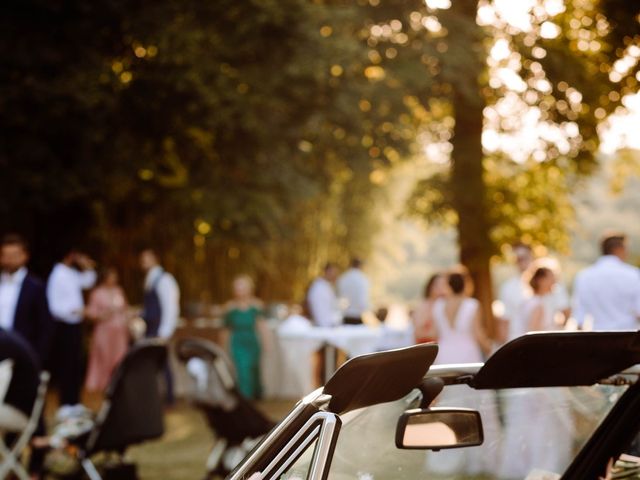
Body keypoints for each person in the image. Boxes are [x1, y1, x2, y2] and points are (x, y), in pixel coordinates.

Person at [499, 267, 574, 478]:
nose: (554, 283)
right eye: (552, 278)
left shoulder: (527, 303)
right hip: (542, 367)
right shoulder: (539, 305)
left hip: (531, 368)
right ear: (540, 280)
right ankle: (544, 465)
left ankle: (525, 463)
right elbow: (535, 339)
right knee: (546, 417)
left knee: (530, 418)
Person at [426, 272, 499, 476]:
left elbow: (435, 335)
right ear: (466, 285)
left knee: (448, 403)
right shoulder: (472, 305)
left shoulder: (439, 306)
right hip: (467, 354)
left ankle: (447, 452)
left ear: (449, 286)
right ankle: (474, 455)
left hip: (446, 354)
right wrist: (493, 349)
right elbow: (478, 334)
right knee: (473, 402)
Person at [46, 248, 96, 408]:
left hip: (75, 325)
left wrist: (87, 266)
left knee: (75, 364)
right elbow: (54, 306)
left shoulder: (71, 273)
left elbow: (88, 281)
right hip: (63, 326)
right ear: (69, 255)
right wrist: (74, 310)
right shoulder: (57, 275)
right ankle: (66, 403)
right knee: (66, 365)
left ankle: (75, 401)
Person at [0, 234, 53, 365]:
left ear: (25, 256)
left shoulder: (36, 287)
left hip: (20, 355)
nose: (9, 260)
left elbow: (44, 326)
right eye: (6, 255)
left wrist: (36, 359)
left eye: (14, 255)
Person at [572, 233, 640, 330]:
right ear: (619, 249)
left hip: (598, 337)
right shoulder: (633, 274)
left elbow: (579, 316)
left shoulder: (584, 276)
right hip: (628, 337)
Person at [139, 248, 180, 403]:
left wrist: (165, 331)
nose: (142, 261)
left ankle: (169, 398)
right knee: (153, 363)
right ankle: (154, 396)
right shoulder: (149, 279)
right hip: (150, 328)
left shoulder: (164, 279)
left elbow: (170, 307)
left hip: (159, 329)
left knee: (163, 363)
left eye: (146, 258)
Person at [84, 268, 130, 393]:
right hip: (104, 330)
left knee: (119, 357)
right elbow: (90, 312)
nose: (114, 279)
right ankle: (104, 385)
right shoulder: (97, 293)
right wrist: (102, 316)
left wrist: (129, 320)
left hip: (119, 332)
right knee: (104, 357)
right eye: (111, 276)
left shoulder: (119, 291)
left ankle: (118, 384)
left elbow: (125, 308)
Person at [223, 275, 267, 399]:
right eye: (237, 287)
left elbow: (262, 326)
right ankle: (245, 399)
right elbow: (225, 330)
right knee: (243, 369)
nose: (239, 290)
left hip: (252, 341)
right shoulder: (230, 308)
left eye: (242, 287)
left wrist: (266, 343)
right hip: (238, 342)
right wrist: (223, 346)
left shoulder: (256, 306)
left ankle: (257, 394)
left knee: (254, 370)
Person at [412, 273, 450, 344]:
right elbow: (418, 333)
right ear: (430, 286)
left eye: (444, 285)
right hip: (429, 347)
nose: (441, 288)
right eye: (438, 285)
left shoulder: (447, 305)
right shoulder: (424, 306)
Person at [307, 263, 341, 327]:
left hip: (329, 324)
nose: (335, 275)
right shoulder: (318, 288)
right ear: (327, 271)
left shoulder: (327, 286)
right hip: (323, 325)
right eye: (333, 272)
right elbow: (318, 309)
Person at [337, 258, 370, 325]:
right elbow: (363, 301)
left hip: (345, 317)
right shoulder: (363, 279)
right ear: (360, 266)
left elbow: (340, 298)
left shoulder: (343, 278)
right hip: (357, 316)